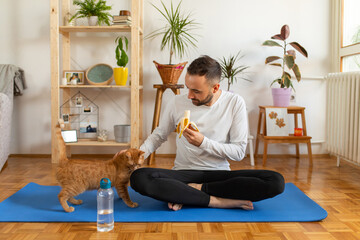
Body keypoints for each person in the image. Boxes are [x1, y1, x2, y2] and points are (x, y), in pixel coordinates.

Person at [130, 55, 285, 211]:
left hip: (219, 176)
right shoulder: (176, 102)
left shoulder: (234, 102)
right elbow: (159, 135)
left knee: (275, 181)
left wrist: (203, 143)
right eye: (188, 88)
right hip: (183, 175)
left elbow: (238, 152)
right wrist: (135, 155)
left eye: (196, 91)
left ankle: (192, 193)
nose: (189, 95)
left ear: (215, 88)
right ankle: (216, 201)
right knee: (139, 178)